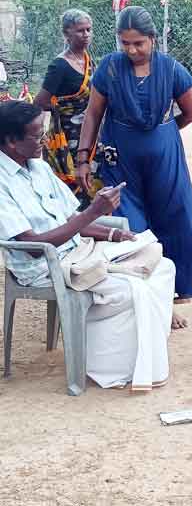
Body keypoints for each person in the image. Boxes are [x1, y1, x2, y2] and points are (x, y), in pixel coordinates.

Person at [0, 100, 176, 390]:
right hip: (45, 265)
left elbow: (71, 218)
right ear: (11, 141)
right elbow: (31, 246)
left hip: (78, 250)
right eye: (36, 135)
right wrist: (93, 213)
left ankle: (139, 355)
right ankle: (111, 369)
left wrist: (112, 235)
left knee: (162, 267)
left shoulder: (39, 167)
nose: (44, 140)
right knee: (133, 289)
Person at [76, 6, 192, 323]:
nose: (132, 50)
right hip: (120, 158)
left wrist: (163, 134)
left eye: (138, 43)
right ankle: (142, 293)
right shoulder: (109, 68)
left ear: (153, 40)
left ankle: (175, 290)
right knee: (128, 222)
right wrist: (83, 156)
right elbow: (93, 114)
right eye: (125, 43)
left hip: (165, 158)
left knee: (173, 217)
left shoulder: (172, 70)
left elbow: (191, 111)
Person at [34, 9, 100, 210]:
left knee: (95, 181)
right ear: (67, 34)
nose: (86, 34)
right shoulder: (60, 66)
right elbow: (40, 102)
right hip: (67, 138)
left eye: (89, 30)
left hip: (91, 134)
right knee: (72, 187)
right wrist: (64, 112)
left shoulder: (89, 60)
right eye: (80, 31)